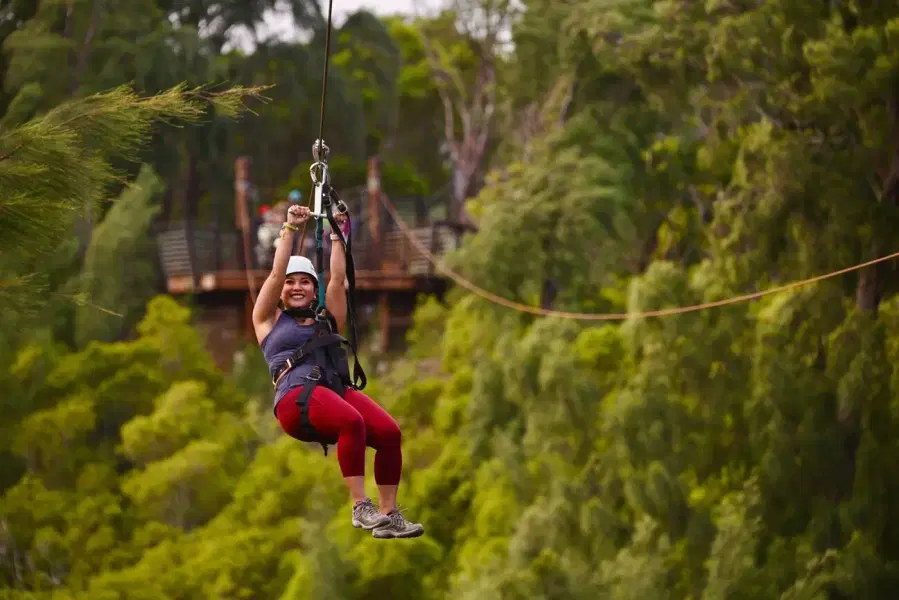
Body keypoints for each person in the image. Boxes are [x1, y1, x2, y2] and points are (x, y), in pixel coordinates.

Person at [252, 204, 425, 539]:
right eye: (291, 283)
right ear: (281, 292)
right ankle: (360, 506)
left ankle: (388, 515)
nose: (297, 287)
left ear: (313, 290)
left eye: (305, 282)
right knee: (352, 421)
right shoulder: (268, 320)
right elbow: (274, 274)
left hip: (332, 392)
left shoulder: (328, 320)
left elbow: (338, 279)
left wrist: (338, 234)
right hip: (295, 400)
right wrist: (289, 228)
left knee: (389, 433)